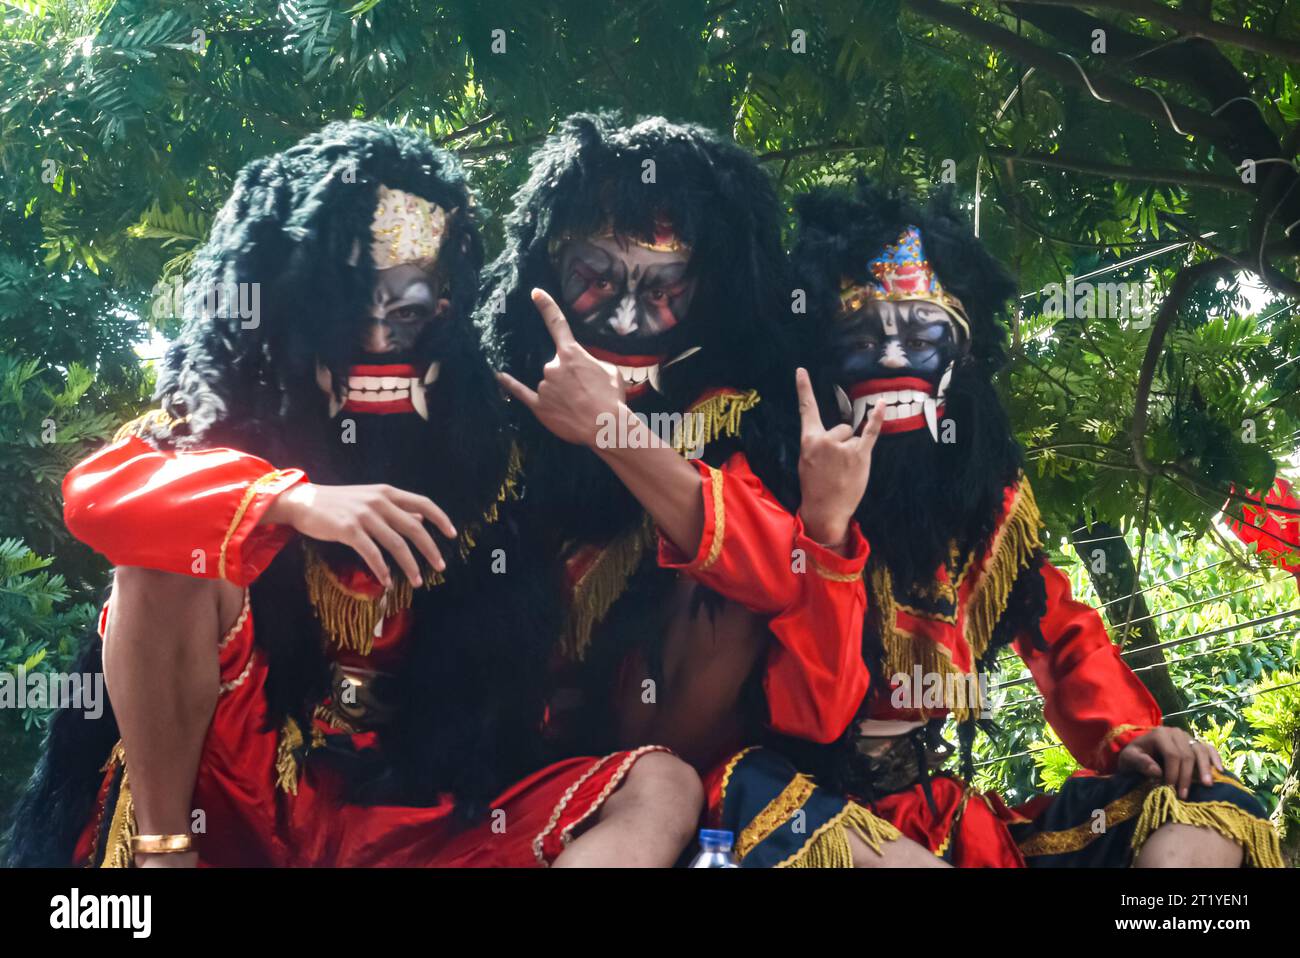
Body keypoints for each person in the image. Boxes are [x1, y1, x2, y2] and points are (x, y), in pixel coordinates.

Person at [5, 120, 701, 869]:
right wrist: (286, 500)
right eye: (347, 310)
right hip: (243, 793)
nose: (374, 342)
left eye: (403, 313)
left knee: (660, 785)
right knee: (171, 552)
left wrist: (618, 432)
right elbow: (102, 499)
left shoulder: (497, 434)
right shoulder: (215, 423)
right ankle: (164, 858)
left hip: (418, 809)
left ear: (443, 306)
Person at [702, 177, 1282, 867]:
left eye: (921, 336)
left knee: (1205, 807)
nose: (893, 356)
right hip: (784, 800)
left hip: (933, 814)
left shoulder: (985, 506)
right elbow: (802, 704)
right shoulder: (754, 476)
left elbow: (1060, 632)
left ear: (961, 361)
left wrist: (1127, 732)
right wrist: (825, 528)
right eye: (863, 335)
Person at [488, 114, 890, 865]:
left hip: (705, 776)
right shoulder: (488, 402)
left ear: (708, 286)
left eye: (663, 284)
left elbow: (776, 576)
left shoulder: (744, 409)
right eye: (595, 275)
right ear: (547, 267)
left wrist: (612, 432)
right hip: (514, 775)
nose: (629, 314)